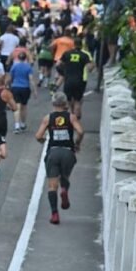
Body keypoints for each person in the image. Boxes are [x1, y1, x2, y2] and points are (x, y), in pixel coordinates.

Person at [34, 93, 84, 224]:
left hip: (53, 152)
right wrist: (77, 144)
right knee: (65, 177)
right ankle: (64, 189)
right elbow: (80, 132)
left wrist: (44, 140)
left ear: (53, 103)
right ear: (65, 103)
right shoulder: (71, 117)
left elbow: (38, 136)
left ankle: (55, 214)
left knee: (52, 185)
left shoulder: (48, 118)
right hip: (68, 152)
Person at [60, 38, 94, 120]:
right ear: (81, 45)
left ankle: (69, 119)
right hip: (79, 80)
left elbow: (59, 64)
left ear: (73, 44)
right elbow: (90, 68)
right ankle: (76, 120)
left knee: (68, 101)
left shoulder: (67, 53)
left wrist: (65, 70)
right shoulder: (84, 55)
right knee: (77, 101)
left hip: (68, 80)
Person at [9, 52, 38, 133]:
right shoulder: (28, 67)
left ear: (18, 58)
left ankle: (16, 125)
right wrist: (35, 90)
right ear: (26, 58)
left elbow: (11, 77)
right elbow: (31, 79)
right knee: (24, 106)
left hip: (15, 87)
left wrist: (9, 86)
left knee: (16, 106)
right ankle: (23, 123)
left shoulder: (14, 66)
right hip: (25, 88)